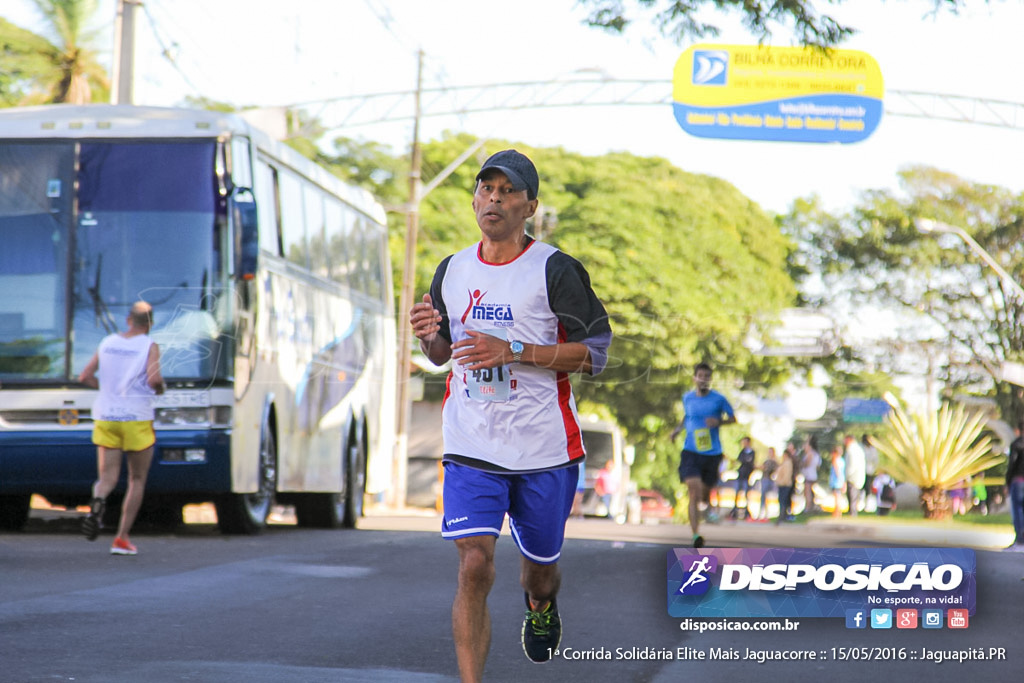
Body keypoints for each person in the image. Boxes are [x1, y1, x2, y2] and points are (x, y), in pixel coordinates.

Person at [408, 149, 612, 680]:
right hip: (472, 438)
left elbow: (595, 354)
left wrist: (515, 349)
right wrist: (430, 334)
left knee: (538, 572)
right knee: (473, 563)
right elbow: (442, 353)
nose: (493, 198)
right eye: (485, 189)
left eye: (507, 191)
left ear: (530, 206)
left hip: (543, 446)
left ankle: (541, 606)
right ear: (475, 199)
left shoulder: (556, 270)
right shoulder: (451, 270)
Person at [78, 301, 166, 556]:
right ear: (150, 324)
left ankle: (98, 502)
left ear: (128, 320)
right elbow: (155, 379)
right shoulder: (149, 345)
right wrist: (160, 390)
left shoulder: (107, 342)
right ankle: (121, 538)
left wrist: (107, 391)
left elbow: (84, 376)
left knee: (107, 477)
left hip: (106, 416)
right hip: (136, 418)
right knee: (137, 479)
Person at [669, 362, 737, 548]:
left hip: (712, 453)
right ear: (695, 378)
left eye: (707, 376)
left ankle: (706, 503)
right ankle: (695, 534)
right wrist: (676, 431)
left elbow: (733, 418)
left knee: (704, 493)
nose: (704, 379)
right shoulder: (687, 398)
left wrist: (719, 422)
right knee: (693, 490)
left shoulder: (719, 399)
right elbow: (686, 417)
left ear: (710, 379)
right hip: (690, 450)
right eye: (701, 375)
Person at [1005, 420, 1024, 549]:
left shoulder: (1017, 444)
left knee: (1017, 511)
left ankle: (1020, 541)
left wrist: (1007, 481)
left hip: (1018, 481)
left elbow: (1012, 465)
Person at [730, 436, 756, 520]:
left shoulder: (752, 453)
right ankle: (735, 510)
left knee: (746, 494)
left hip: (746, 476)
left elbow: (749, 462)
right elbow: (740, 460)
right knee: (737, 493)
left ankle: (746, 512)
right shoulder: (742, 452)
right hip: (740, 475)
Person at [844, 433, 866, 517]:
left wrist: (847, 476)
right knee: (853, 497)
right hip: (857, 477)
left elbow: (851, 465)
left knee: (852, 497)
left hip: (853, 477)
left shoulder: (852, 450)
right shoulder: (858, 449)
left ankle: (852, 513)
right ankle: (852, 512)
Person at [774, 442, 797, 525]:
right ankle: (782, 515)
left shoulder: (788, 463)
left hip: (785, 484)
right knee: (781, 500)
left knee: (783, 500)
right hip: (781, 484)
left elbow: (787, 475)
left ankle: (782, 516)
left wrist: (782, 482)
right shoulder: (784, 463)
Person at [755, 446, 778, 521]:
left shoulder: (774, 462)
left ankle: (767, 513)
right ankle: (762, 512)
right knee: (763, 496)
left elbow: (770, 469)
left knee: (768, 496)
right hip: (764, 478)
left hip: (769, 479)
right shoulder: (767, 461)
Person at [800, 436, 821, 515]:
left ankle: (808, 507)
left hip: (809, 475)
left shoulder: (810, 454)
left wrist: (802, 464)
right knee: (811, 492)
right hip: (813, 475)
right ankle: (810, 506)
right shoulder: (816, 454)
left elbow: (807, 464)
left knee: (808, 492)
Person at [861, 434, 879, 511]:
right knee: (861, 488)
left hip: (869, 471)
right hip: (861, 471)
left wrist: (874, 469)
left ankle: (867, 505)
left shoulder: (873, 450)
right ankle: (860, 504)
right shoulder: (861, 448)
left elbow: (875, 461)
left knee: (868, 488)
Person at [828, 446, 846, 518]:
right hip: (841, 480)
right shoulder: (842, 460)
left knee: (836, 497)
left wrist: (840, 479)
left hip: (836, 481)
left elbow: (837, 471)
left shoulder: (835, 460)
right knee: (839, 496)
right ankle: (838, 511)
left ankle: (837, 512)